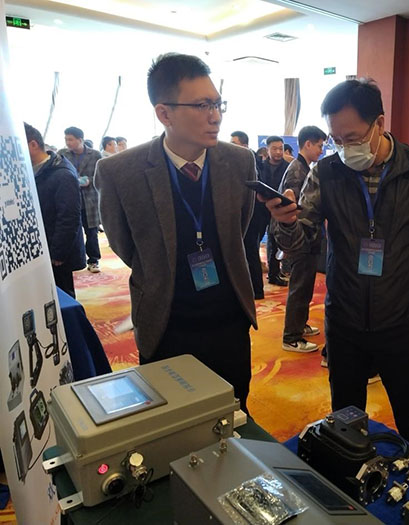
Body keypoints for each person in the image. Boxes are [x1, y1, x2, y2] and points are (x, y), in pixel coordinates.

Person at [267, 79, 409, 457]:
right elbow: (301, 244)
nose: (344, 147)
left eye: (353, 137)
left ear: (380, 124)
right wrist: (286, 223)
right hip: (344, 322)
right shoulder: (326, 172)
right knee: (344, 422)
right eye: (335, 139)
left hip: (403, 321)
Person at [95, 53, 258, 412]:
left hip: (228, 320)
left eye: (217, 104)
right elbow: (126, 245)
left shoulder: (239, 161)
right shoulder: (120, 172)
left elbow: (239, 230)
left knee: (234, 411)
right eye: (202, 105)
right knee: (170, 419)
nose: (215, 116)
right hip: (166, 321)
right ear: (164, 114)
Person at [279, 125, 327, 353]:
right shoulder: (297, 170)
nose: (321, 150)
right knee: (300, 287)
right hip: (301, 238)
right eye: (319, 146)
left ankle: (300, 324)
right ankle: (291, 337)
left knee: (305, 286)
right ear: (307, 144)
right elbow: (294, 209)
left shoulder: (303, 167)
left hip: (309, 237)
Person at [24, 123, 85, 297]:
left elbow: (69, 217)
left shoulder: (61, 173)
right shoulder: (34, 170)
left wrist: (58, 252)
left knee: (62, 295)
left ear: (33, 144)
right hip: (41, 246)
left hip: (56, 251)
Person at [58, 126, 103, 273]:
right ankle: (74, 260)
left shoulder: (95, 154)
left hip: (90, 199)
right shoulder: (62, 154)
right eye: (66, 139)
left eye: (70, 139)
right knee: (72, 231)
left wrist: (89, 180)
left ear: (80, 140)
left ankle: (93, 260)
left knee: (92, 232)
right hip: (70, 198)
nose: (68, 142)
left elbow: (102, 175)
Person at [231, 130, 266, 299]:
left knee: (251, 252)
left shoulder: (251, 164)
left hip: (252, 216)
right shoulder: (235, 163)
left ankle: (256, 291)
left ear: (244, 146)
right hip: (242, 216)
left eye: (234, 144)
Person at [260, 135, 289, 287]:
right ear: (267, 150)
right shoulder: (261, 166)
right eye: (274, 149)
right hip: (261, 209)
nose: (278, 152)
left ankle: (275, 273)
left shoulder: (288, 167)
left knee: (276, 242)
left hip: (280, 209)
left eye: (281, 149)